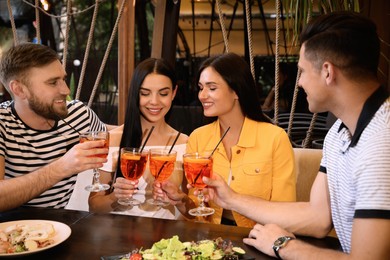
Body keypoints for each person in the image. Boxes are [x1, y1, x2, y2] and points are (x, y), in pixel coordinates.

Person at [198, 12, 390, 259]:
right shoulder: (338, 134)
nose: (299, 83)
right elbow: (317, 217)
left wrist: (283, 245)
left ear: (327, 72)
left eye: (302, 71)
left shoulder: (381, 141)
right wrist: (231, 199)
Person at [154, 52, 296, 227]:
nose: (202, 95)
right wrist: (181, 199)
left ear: (236, 91)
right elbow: (196, 211)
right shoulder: (198, 138)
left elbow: (285, 212)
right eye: (201, 87)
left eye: (212, 88)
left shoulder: (275, 138)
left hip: (260, 238)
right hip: (210, 239)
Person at [0, 43, 109, 212]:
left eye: (63, 79)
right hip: (14, 230)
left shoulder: (79, 114)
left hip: (67, 225)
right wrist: (63, 166)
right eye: (53, 83)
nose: (65, 90)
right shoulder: (2, 123)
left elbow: (112, 134)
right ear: (19, 89)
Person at [88, 58, 188, 219]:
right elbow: (94, 206)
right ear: (135, 93)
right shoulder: (113, 140)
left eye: (163, 93)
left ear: (174, 93)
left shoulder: (184, 143)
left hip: (165, 237)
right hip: (119, 233)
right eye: (145, 93)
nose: (154, 102)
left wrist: (180, 198)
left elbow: (193, 212)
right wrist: (116, 196)